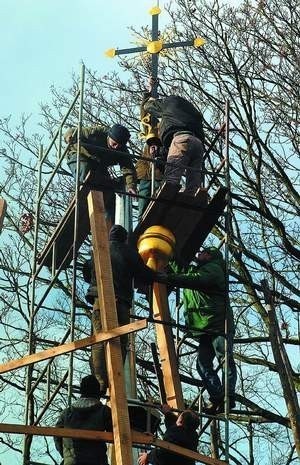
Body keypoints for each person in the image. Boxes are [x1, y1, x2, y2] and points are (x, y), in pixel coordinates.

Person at [160, 247, 237, 414]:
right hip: (204, 327)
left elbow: (196, 279)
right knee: (202, 364)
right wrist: (171, 256)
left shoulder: (215, 269)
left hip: (217, 324)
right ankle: (217, 396)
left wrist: (168, 278)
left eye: (203, 253)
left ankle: (228, 396)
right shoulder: (200, 270)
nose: (199, 254)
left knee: (225, 360)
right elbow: (186, 273)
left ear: (210, 256)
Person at [84, 224, 159, 392]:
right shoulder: (127, 252)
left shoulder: (97, 251)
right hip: (120, 302)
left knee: (98, 340)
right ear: (125, 238)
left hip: (99, 301)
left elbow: (86, 270)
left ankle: (100, 381)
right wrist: (160, 274)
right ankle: (114, 380)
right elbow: (144, 274)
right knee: (120, 341)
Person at [64, 123, 137, 225]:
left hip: (98, 164)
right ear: (109, 136)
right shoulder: (97, 132)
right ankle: (82, 195)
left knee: (108, 192)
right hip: (80, 155)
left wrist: (131, 185)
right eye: (114, 143)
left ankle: (111, 228)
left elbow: (128, 169)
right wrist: (69, 137)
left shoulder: (122, 150)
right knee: (86, 174)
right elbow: (72, 131)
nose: (116, 147)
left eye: (119, 145)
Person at [143, 80, 205, 194]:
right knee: (194, 181)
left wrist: (149, 95)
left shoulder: (170, 102)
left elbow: (147, 106)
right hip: (198, 144)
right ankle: (191, 201)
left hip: (181, 139)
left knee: (171, 178)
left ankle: (166, 202)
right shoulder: (193, 112)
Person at [54, 375, 112, 465]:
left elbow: (57, 437)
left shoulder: (67, 413)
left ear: (81, 392)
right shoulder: (103, 411)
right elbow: (115, 434)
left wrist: (67, 456)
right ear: (97, 392)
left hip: (72, 462)